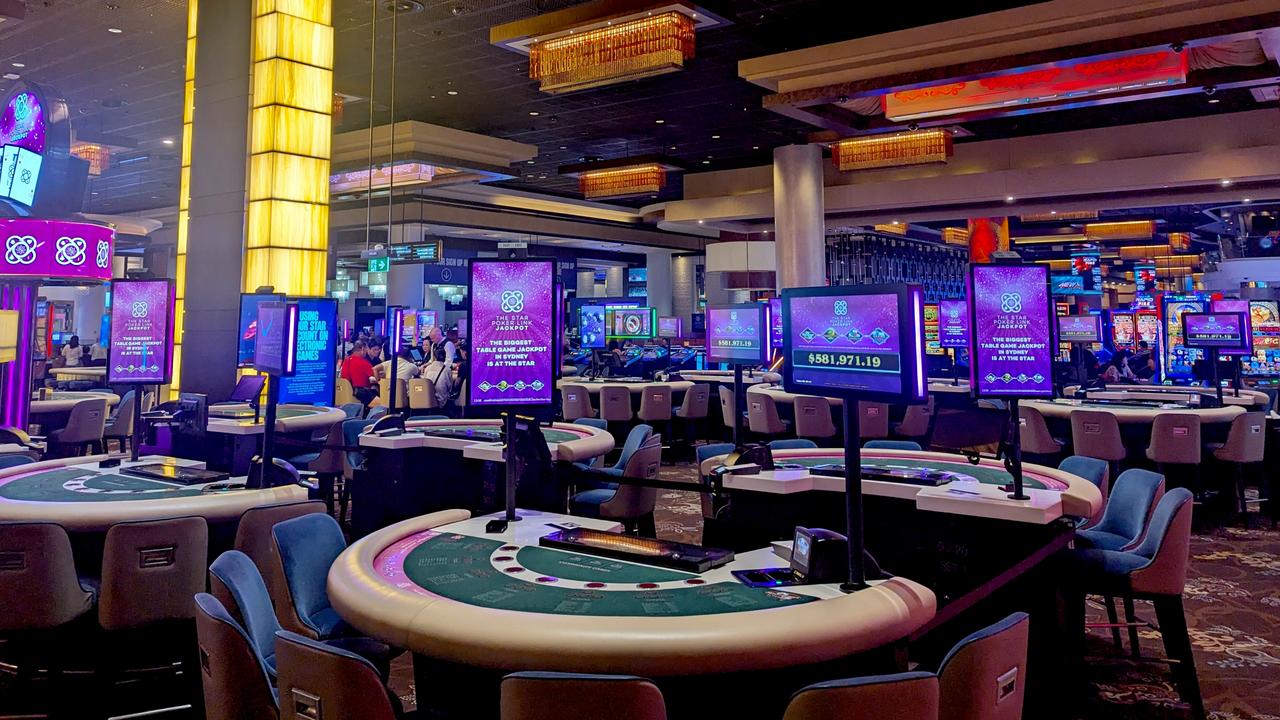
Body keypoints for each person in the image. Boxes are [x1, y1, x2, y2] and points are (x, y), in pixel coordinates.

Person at [423, 326, 456, 406]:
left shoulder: (448, 344)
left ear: (439, 335)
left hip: (445, 370)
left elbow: (449, 361)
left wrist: (440, 370)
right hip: (436, 368)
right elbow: (431, 360)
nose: (432, 340)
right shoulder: (434, 345)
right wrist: (424, 366)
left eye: (433, 338)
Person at [340, 341, 378, 408]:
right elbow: (375, 376)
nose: (366, 353)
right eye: (366, 350)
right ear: (362, 349)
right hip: (360, 394)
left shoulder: (346, 361)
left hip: (345, 394)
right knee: (383, 403)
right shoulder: (363, 363)